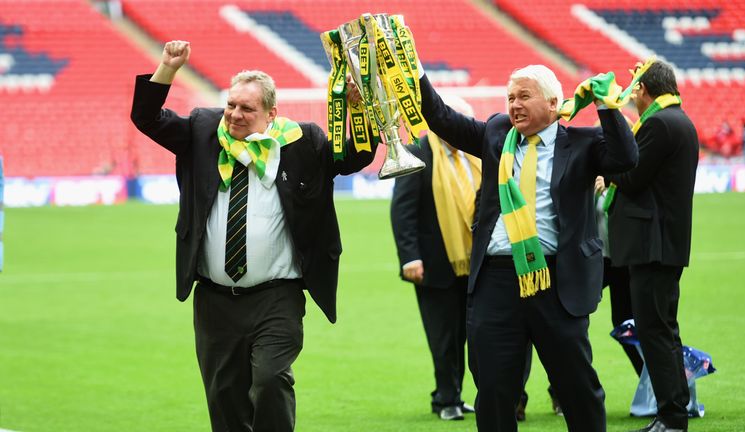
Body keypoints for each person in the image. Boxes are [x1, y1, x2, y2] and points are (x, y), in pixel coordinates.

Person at [130, 40, 376, 432]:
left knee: (270, 380)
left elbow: (356, 156)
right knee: (224, 397)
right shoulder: (202, 131)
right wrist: (167, 68)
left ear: (271, 113)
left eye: (247, 108)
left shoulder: (301, 142)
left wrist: (361, 106)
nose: (235, 115)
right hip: (215, 301)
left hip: (276, 297)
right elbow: (146, 118)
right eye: (231, 105)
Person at [416, 64, 638, 432]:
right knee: (494, 390)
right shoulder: (495, 133)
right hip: (497, 281)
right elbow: (440, 118)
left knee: (578, 388)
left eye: (523, 96)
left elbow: (626, 158)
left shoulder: (582, 143)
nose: (514, 105)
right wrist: (415, 70)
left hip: (557, 280)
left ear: (554, 103)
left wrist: (608, 107)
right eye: (510, 98)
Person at [604, 60, 699, 432]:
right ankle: (676, 410)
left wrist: (602, 167)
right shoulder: (681, 120)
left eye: (634, 91)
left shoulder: (658, 123)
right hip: (665, 243)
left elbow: (631, 176)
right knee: (664, 329)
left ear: (642, 90)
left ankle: (671, 417)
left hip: (651, 244)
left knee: (654, 332)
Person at [390, 95, 480, 421]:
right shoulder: (417, 152)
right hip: (433, 264)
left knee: (469, 334)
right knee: (443, 336)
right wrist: (410, 257)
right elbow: (403, 210)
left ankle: (456, 394)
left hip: (475, 262)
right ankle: (446, 398)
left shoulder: (476, 155)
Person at [595, 176, 644, 377]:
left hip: (622, 260)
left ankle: (649, 383)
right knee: (568, 322)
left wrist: (610, 188)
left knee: (625, 324)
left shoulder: (623, 173)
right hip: (594, 261)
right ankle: (562, 393)